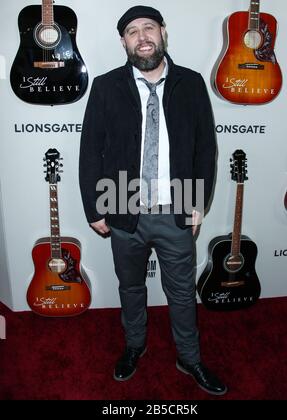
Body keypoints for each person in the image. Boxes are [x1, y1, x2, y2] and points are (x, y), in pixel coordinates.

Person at [79, 5, 227, 395]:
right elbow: (91, 150)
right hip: (122, 206)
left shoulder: (191, 83)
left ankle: (189, 358)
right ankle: (134, 346)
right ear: (123, 41)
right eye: (132, 31)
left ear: (163, 32)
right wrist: (95, 208)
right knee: (130, 288)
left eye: (148, 28)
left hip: (176, 208)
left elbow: (205, 149)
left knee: (181, 292)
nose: (142, 36)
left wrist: (197, 202)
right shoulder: (107, 85)